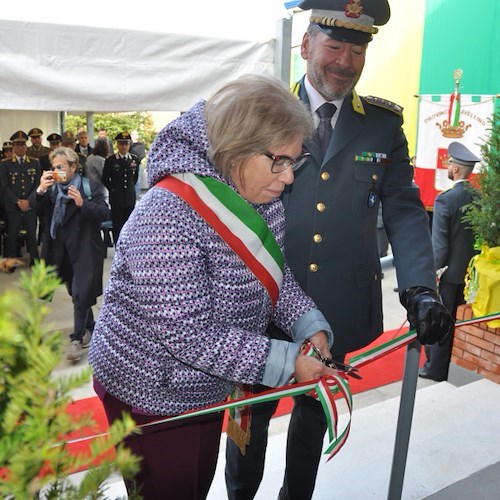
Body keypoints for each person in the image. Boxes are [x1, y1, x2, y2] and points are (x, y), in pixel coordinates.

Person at [224, 2, 455, 500]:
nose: (345, 62)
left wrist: (419, 288)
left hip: (336, 308)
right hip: (259, 306)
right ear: (306, 45)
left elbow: (404, 210)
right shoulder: (258, 114)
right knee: (249, 423)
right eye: (334, 46)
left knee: (314, 417)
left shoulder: (380, 125)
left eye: (357, 50)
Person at [88, 74, 337, 499]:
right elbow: (190, 336)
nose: (289, 176)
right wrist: (288, 361)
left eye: (295, 160)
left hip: (207, 383)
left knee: (196, 483)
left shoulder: (258, 195)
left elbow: (274, 275)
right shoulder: (167, 214)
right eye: (279, 160)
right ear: (236, 150)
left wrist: (306, 323)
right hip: (152, 390)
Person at [30, 147, 110, 362]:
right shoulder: (53, 189)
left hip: (84, 249)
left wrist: (83, 204)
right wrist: (39, 190)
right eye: (54, 167)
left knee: (79, 293)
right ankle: (92, 327)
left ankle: (76, 339)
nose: (56, 171)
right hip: (59, 251)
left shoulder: (89, 186)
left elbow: (104, 213)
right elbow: (33, 209)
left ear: (73, 167)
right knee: (77, 294)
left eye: (60, 167)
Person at [419, 142, 480, 382]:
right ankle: (450, 365)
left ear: (455, 169)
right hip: (468, 273)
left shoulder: (446, 199)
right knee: (459, 320)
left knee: (440, 321)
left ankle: (435, 368)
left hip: (447, 275)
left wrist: (432, 273)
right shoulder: (478, 197)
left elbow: (440, 244)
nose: (449, 166)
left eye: (450, 163)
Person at [0, 131, 40, 266]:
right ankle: (11, 263)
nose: (20, 148)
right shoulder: (5, 164)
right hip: (13, 205)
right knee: (12, 235)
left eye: (23, 145)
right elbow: (4, 186)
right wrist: (17, 201)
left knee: (31, 234)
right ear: (13, 148)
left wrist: (29, 200)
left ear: (26, 146)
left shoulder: (35, 162)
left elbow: (37, 184)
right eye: (17, 145)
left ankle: (34, 260)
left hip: (30, 204)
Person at [101, 132, 140, 243]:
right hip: (116, 198)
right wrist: (113, 189)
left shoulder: (134, 159)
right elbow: (105, 178)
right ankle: (118, 247)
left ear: (129, 145)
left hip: (129, 197)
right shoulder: (111, 160)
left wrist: (130, 190)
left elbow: (135, 178)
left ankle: (129, 246)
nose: (124, 146)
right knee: (117, 225)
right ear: (117, 145)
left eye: (126, 144)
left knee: (130, 224)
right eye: (121, 144)